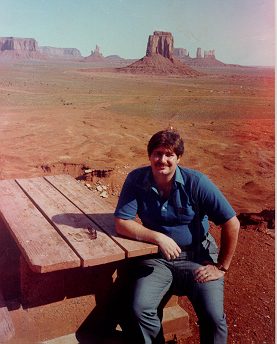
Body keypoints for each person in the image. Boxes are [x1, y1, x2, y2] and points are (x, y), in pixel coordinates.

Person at [114, 128, 240, 344]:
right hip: (158, 258)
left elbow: (232, 223)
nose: (162, 159)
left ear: (178, 158)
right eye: (157, 153)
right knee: (140, 309)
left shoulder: (196, 183)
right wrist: (159, 238)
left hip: (198, 258)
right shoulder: (137, 179)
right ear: (149, 156)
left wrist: (221, 267)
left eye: (169, 154)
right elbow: (121, 223)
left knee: (212, 316)